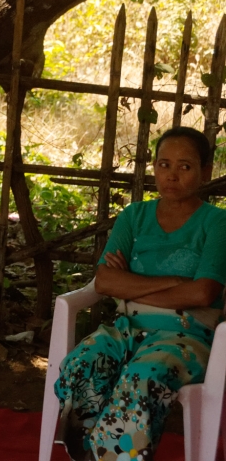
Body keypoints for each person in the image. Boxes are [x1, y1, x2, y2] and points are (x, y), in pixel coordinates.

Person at [54, 126, 226, 461]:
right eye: (163, 165)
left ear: (206, 171)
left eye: (185, 166)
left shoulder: (217, 223)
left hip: (186, 336)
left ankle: (110, 456)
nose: (171, 175)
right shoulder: (134, 216)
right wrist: (176, 283)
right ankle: (90, 450)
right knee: (82, 362)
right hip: (125, 329)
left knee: (143, 376)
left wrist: (131, 284)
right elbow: (104, 282)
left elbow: (204, 293)